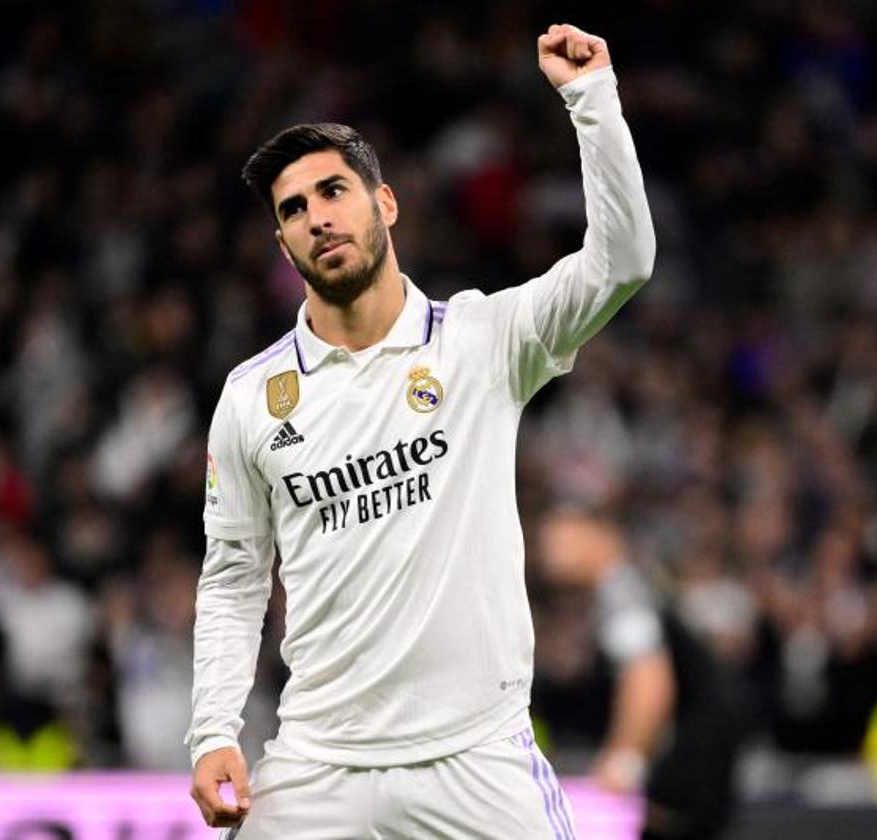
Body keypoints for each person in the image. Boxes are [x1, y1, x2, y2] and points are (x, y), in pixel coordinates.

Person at [187, 23, 655, 837]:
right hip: (317, 764)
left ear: (386, 203)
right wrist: (213, 732)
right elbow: (233, 581)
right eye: (293, 209)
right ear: (282, 242)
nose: (316, 217)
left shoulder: (482, 342)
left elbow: (622, 264)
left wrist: (592, 100)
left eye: (333, 192)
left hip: (475, 759)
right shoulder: (252, 398)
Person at [537, 510, 740, 840]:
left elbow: (648, 679)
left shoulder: (621, 590)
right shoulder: (629, 584)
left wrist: (624, 761)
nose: (550, 549)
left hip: (690, 772)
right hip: (700, 764)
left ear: (603, 536)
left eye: (565, 537)